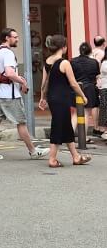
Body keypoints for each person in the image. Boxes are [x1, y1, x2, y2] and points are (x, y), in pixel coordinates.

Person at [0, 28, 49, 161]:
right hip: (9, 94)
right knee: (21, 122)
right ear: (7, 38)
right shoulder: (8, 53)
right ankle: (33, 151)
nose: (17, 39)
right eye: (15, 37)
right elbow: (9, 73)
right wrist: (22, 82)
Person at [39, 34, 91, 167]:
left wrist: (42, 98)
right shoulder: (64, 63)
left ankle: (76, 157)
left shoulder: (47, 62)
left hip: (52, 98)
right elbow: (73, 84)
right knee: (58, 126)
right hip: (62, 99)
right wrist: (83, 96)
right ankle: (52, 159)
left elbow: (44, 83)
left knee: (66, 126)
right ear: (63, 47)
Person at [70, 42, 100, 135]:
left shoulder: (73, 61)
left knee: (75, 113)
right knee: (86, 113)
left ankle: (69, 135)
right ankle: (84, 137)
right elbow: (96, 76)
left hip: (76, 88)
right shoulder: (94, 62)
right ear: (90, 51)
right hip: (89, 89)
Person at [91, 36, 106, 132]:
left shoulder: (91, 52)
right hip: (98, 81)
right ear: (103, 43)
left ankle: (96, 127)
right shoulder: (101, 53)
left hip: (91, 79)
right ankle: (97, 127)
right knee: (97, 105)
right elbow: (99, 67)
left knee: (94, 104)